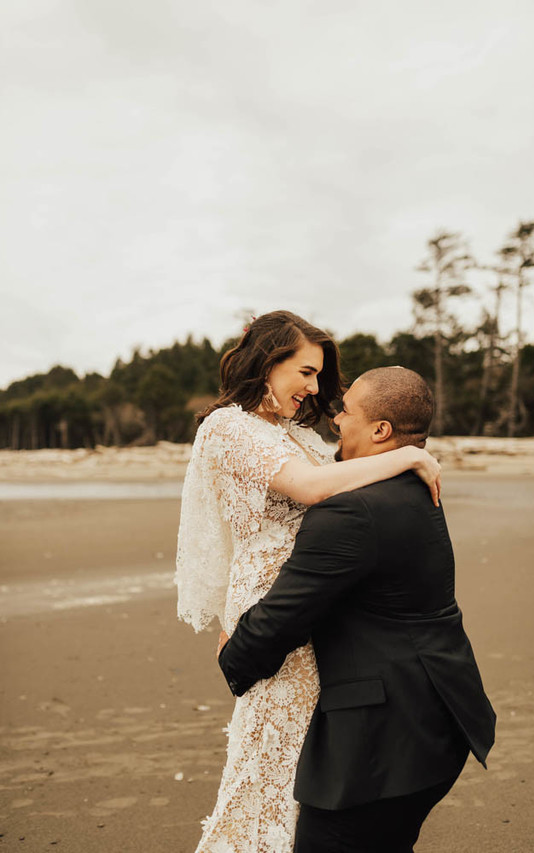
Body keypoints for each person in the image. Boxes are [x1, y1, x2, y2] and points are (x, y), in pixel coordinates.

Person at [175, 312, 442, 853]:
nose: (314, 388)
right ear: (267, 362)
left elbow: (346, 477)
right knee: (273, 754)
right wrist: (410, 453)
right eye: (305, 371)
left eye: (320, 376)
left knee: (310, 753)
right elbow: (313, 487)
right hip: (278, 608)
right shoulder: (228, 426)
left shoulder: (291, 434)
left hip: (318, 607)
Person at [218, 366, 497, 853]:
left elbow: (282, 618)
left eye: (346, 411)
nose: (335, 422)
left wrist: (232, 651)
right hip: (441, 719)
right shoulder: (413, 486)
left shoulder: (352, 510)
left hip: (384, 746)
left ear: (380, 431)